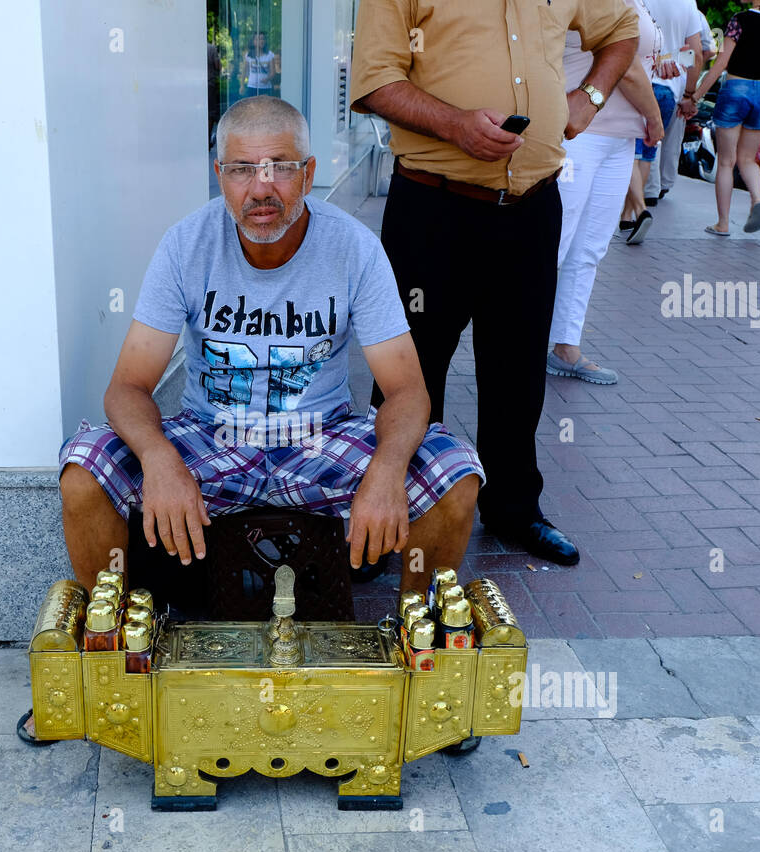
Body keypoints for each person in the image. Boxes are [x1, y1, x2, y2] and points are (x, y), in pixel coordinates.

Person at [56, 95, 483, 600]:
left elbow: (407, 389)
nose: (262, 187)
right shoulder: (186, 244)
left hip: (321, 436)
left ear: (308, 173)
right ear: (220, 175)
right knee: (84, 469)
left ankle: (420, 643)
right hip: (209, 436)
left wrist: (388, 470)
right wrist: (158, 458)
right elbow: (127, 387)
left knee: (454, 475)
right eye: (242, 169)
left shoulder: (353, 248)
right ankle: (117, 650)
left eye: (281, 167)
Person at [350, 0, 640, 566]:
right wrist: (455, 124)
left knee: (519, 368)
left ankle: (512, 509)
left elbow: (624, 30)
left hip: (532, 208)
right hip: (433, 209)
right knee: (409, 370)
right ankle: (388, 513)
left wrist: (591, 99)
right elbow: (376, 81)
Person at [549, 0, 667, 386]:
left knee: (589, 249)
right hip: (581, 132)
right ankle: (519, 344)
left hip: (618, 136)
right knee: (555, 244)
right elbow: (627, 66)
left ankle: (565, 347)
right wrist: (653, 115)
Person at [691, 0, 760, 235]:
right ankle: (757, 199)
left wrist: (695, 96)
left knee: (726, 161)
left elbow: (722, 63)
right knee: (748, 159)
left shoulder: (740, 20)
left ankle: (723, 223)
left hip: (736, 89)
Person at [619, 0, 702, 243]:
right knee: (647, 151)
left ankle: (640, 208)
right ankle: (628, 215)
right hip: (669, 89)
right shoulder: (688, 3)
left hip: (635, 80)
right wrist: (688, 93)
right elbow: (696, 53)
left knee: (628, 150)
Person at [647, 4, 713, 205]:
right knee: (671, 137)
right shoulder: (691, 8)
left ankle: (649, 188)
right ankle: (665, 182)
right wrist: (689, 92)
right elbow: (705, 51)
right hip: (676, 83)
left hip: (645, 78)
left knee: (647, 138)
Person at [239, 31, 276, 98]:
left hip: (265, 88)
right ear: (254, 41)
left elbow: (273, 72)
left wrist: (267, 79)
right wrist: (242, 85)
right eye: (259, 39)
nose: (262, 41)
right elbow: (244, 71)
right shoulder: (248, 55)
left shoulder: (269, 55)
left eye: (263, 39)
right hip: (252, 87)